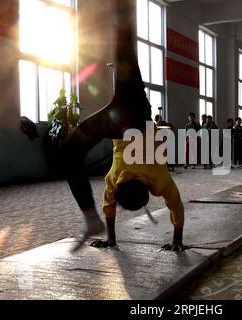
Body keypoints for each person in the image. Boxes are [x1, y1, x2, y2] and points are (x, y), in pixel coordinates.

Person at [63, 0, 185, 252]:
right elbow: (111, 204)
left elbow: (176, 205)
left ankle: (122, 6)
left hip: (130, 115)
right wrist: (177, 242)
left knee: (123, 43)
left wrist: (177, 240)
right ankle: (89, 217)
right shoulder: (117, 178)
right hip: (125, 119)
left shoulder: (158, 180)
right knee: (70, 153)